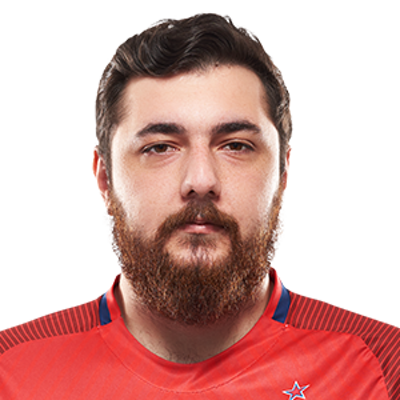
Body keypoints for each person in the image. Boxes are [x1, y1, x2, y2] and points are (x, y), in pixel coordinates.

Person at [1, 12, 398, 399]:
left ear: (283, 173)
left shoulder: (384, 364)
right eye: (160, 147)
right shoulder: (11, 367)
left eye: (236, 145)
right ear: (103, 177)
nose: (201, 180)